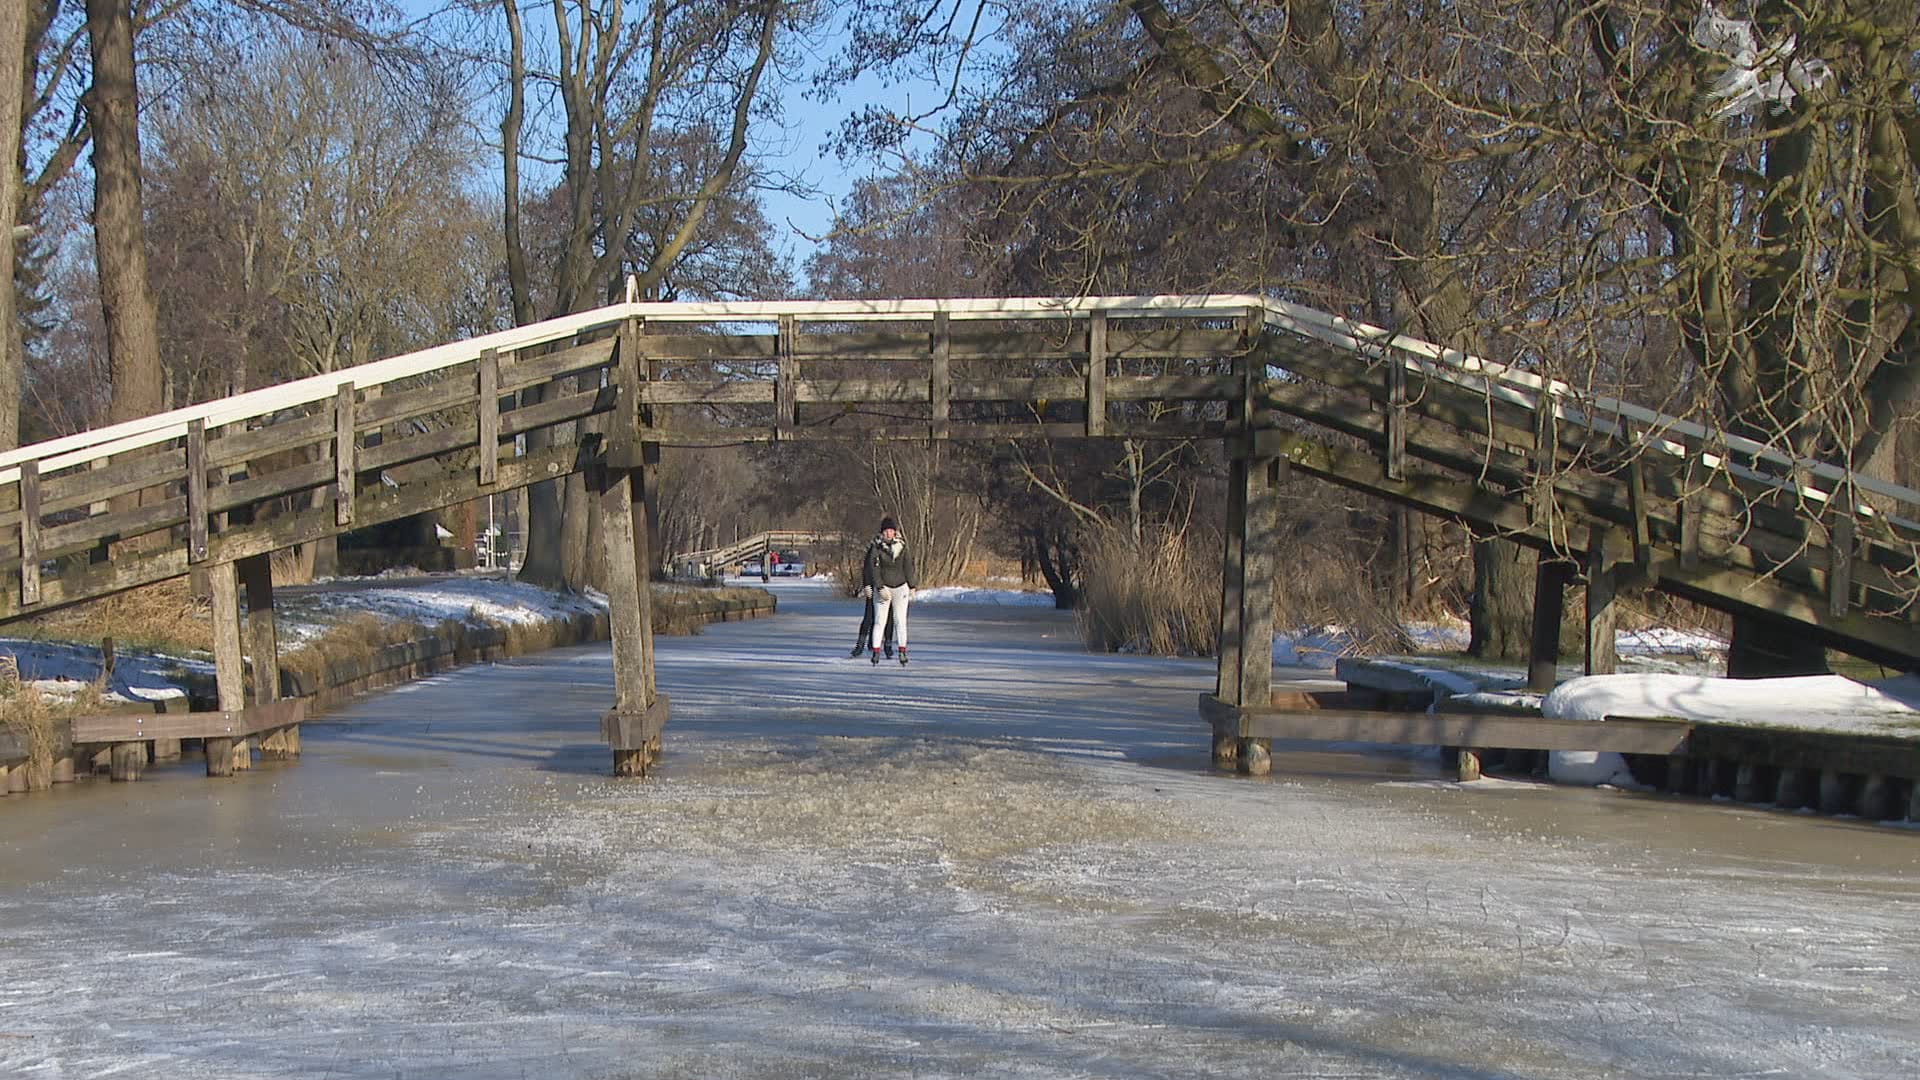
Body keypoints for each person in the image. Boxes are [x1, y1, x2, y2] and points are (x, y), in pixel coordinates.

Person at [862, 516, 916, 665]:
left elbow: (908, 567)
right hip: (883, 588)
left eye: (891, 531)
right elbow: (873, 569)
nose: (888, 533)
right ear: (882, 533)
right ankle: (876, 651)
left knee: (900, 621)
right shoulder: (876, 548)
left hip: (900, 586)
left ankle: (902, 651)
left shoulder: (902, 547)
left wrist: (912, 585)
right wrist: (879, 586)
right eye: (886, 531)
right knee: (880, 621)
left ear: (895, 532)